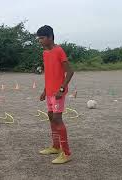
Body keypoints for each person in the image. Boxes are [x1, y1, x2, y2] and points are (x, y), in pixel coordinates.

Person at [37, 25, 74, 164]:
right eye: (38, 38)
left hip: (58, 92)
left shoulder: (59, 50)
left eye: (41, 38)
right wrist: (45, 91)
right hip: (50, 92)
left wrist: (62, 89)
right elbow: (49, 74)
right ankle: (56, 146)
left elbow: (70, 71)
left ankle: (66, 153)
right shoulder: (45, 53)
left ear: (50, 37)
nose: (39, 41)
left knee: (58, 118)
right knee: (51, 116)